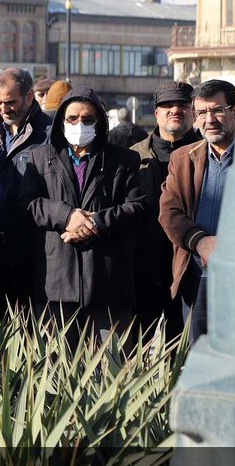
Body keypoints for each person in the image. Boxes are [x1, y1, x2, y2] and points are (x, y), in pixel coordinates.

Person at [20, 87, 146, 340]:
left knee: (111, 369)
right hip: (56, 284)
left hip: (108, 283)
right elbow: (28, 203)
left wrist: (94, 222)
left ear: (100, 122)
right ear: (62, 121)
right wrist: (66, 216)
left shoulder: (124, 159)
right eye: (73, 119)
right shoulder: (39, 157)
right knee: (56, 369)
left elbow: (138, 207)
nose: (80, 124)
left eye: (88, 119)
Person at [159, 79, 235, 344]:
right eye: (202, 112)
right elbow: (169, 212)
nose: (209, 119)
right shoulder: (183, 158)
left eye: (217, 110)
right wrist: (200, 241)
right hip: (197, 280)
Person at [129, 81, 199, 340]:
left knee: (183, 355)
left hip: (190, 271)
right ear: (156, 112)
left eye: (182, 105)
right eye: (167, 105)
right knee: (133, 357)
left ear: (193, 112)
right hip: (142, 272)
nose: (175, 110)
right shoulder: (133, 158)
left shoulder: (209, 156)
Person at [0, 67, 52, 304]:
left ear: (29, 96)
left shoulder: (49, 135)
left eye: (10, 102)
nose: (3, 109)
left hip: (31, 249)